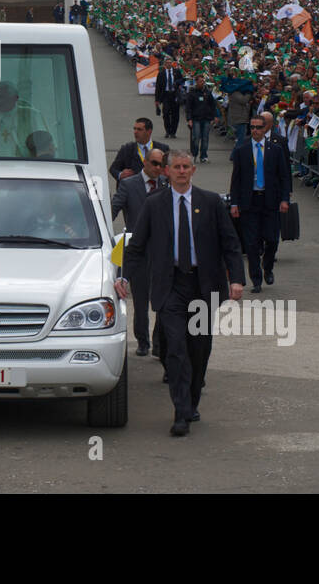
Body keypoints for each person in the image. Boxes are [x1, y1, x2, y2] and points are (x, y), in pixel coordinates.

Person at [116, 150, 244, 436]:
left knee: (198, 349)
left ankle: (192, 399)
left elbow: (230, 243)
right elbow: (136, 246)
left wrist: (236, 279)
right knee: (175, 348)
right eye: (177, 167)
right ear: (167, 172)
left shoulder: (210, 203)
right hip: (170, 285)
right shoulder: (154, 205)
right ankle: (180, 411)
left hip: (202, 286)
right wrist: (122, 276)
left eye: (186, 166)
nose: (182, 171)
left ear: (193, 171)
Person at [111, 148, 166, 356]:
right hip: (139, 251)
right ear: (145, 162)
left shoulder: (166, 185)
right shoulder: (129, 185)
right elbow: (113, 209)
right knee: (141, 300)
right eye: (154, 163)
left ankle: (160, 343)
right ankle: (143, 341)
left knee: (162, 300)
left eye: (161, 165)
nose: (157, 168)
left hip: (162, 252)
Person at [229, 115, 292, 292]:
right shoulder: (242, 149)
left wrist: (285, 199)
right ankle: (256, 280)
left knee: (272, 239)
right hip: (249, 201)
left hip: (270, 200)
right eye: (253, 127)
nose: (255, 130)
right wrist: (234, 203)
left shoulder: (275, 149)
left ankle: (268, 266)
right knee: (251, 243)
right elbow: (236, 179)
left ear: (265, 129)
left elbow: (284, 176)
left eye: (258, 127)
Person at [109, 117, 166, 183]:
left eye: (139, 129)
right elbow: (113, 169)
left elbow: (170, 169)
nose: (135, 132)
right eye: (134, 129)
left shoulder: (162, 148)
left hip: (155, 189)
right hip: (133, 189)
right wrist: (120, 175)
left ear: (149, 132)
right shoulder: (127, 149)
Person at [185, 78, 218, 163]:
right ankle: (194, 154)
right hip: (196, 119)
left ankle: (203, 156)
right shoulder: (192, 93)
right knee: (195, 138)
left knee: (205, 138)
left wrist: (215, 116)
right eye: (200, 81)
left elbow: (213, 105)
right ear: (196, 82)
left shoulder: (208, 92)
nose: (202, 83)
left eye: (203, 81)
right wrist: (189, 119)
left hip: (206, 119)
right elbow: (188, 107)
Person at [155, 59, 184, 136]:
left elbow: (182, 80)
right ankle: (167, 131)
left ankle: (173, 132)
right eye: (167, 63)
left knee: (175, 114)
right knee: (166, 113)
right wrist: (157, 100)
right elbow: (158, 87)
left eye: (170, 63)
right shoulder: (161, 73)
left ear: (172, 64)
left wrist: (177, 83)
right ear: (165, 64)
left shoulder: (176, 72)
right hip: (166, 95)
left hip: (175, 94)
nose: (168, 64)